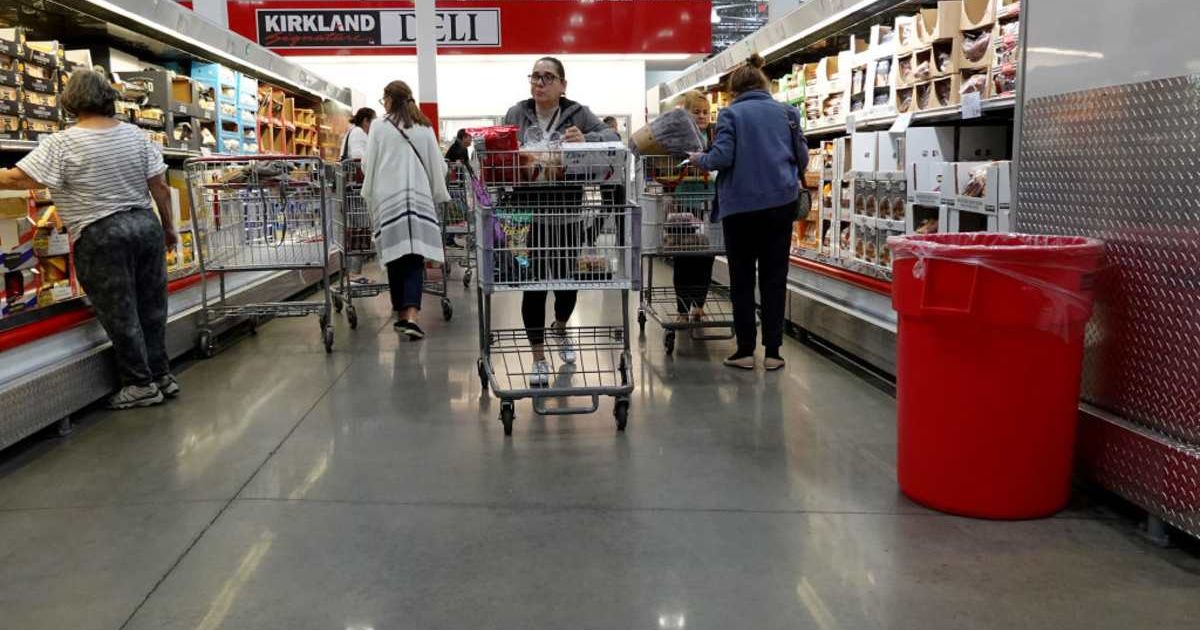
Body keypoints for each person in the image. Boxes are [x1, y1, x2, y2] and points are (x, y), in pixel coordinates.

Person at [0, 69, 179, 408]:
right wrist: (168, 228)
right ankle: (162, 376)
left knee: (120, 312)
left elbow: (17, 180)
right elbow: (160, 187)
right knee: (152, 308)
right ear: (109, 97)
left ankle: (140, 385)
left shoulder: (62, 142)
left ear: (70, 101)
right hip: (145, 225)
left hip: (102, 234)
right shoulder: (137, 136)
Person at [503, 56, 619, 386]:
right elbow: (499, 150)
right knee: (534, 287)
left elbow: (610, 136)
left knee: (568, 283)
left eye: (548, 77)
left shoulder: (578, 112)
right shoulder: (516, 112)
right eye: (535, 77)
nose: (539, 83)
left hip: (567, 213)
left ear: (562, 84)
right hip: (527, 216)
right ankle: (538, 357)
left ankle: (561, 326)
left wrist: (586, 140)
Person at [688, 54, 807, 371]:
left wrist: (699, 158)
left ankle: (744, 351)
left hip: (740, 209)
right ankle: (773, 353)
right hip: (780, 205)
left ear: (733, 91)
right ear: (764, 83)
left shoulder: (731, 115)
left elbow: (722, 158)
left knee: (742, 278)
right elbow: (803, 158)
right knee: (774, 278)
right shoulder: (788, 113)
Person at [360, 80, 450, 340]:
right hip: (419, 199)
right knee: (413, 257)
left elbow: (368, 164)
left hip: (388, 200)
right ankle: (407, 315)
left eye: (383, 99)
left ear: (389, 99)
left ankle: (406, 313)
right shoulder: (424, 127)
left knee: (395, 256)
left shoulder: (378, 126)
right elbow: (438, 167)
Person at [670, 90, 715, 323]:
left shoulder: (716, 135)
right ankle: (681, 310)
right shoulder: (677, 139)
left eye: (705, 112)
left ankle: (699, 305)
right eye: (696, 112)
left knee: (706, 257)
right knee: (683, 258)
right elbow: (669, 165)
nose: (702, 116)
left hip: (708, 205)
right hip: (685, 207)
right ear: (685, 114)